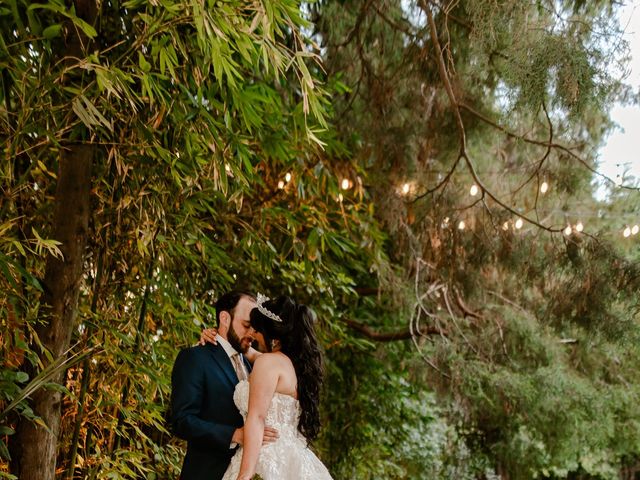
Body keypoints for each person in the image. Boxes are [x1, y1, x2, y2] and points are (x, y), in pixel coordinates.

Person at [220, 294, 333, 480]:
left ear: (270, 334)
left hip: (265, 455)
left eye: (257, 329)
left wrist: (245, 475)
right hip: (293, 457)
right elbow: (248, 351)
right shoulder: (293, 366)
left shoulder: (267, 363)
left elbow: (256, 418)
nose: (253, 334)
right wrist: (218, 335)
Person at [170, 291, 279, 480]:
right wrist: (234, 435)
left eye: (254, 328)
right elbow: (181, 421)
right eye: (246, 325)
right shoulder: (195, 358)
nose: (252, 333)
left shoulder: (256, 365)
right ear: (224, 318)